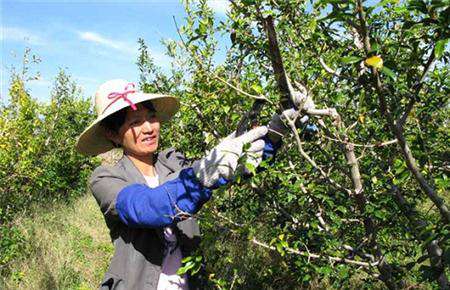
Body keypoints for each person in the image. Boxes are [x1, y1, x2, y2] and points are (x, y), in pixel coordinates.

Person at [75, 79, 300, 290]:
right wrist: (199, 177)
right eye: (135, 122)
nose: (149, 128)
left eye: (152, 117)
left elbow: (227, 170)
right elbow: (146, 207)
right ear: (113, 134)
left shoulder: (172, 162)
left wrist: (275, 134)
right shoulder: (106, 179)